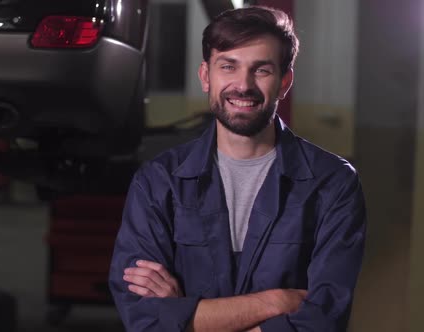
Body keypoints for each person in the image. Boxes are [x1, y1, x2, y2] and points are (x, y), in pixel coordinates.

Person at [108, 6, 366, 332]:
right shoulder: (159, 182)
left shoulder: (333, 185)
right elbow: (145, 318)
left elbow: (321, 321)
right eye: (228, 66)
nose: (243, 85)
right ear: (206, 76)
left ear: (285, 81)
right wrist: (275, 302)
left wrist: (185, 318)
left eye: (261, 70)